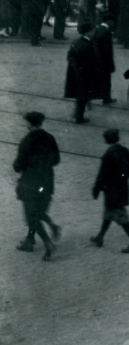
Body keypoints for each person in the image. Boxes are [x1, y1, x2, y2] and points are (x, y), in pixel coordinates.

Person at [13, 111, 60, 260]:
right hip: (47, 182)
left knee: (32, 215)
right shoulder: (50, 138)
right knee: (38, 211)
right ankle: (30, 240)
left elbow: (18, 165)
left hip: (30, 184)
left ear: (28, 124)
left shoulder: (26, 141)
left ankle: (48, 244)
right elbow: (56, 159)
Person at [91, 129, 129, 253]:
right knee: (108, 213)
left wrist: (96, 189)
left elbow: (102, 175)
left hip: (111, 190)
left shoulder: (108, 155)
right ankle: (100, 237)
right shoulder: (125, 151)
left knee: (120, 215)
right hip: (122, 188)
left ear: (106, 140)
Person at [64, 19, 99, 124]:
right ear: (87, 32)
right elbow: (90, 62)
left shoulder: (76, 42)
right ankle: (79, 118)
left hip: (75, 74)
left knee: (81, 96)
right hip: (84, 75)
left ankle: (77, 115)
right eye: (93, 31)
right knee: (82, 97)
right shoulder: (87, 45)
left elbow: (69, 57)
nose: (94, 33)